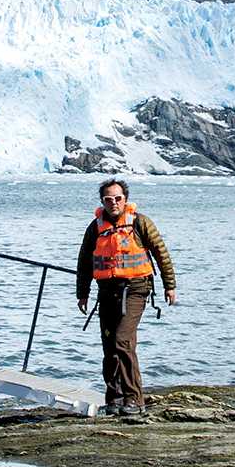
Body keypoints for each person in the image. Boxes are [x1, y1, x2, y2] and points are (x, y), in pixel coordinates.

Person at [75, 179, 177, 421]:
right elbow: (84, 261)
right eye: (108, 199)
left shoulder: (141, 222)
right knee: (109, 346)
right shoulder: (95, 227)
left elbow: (161, 253)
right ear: (102, 202)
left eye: (118, 198)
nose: (113, 203)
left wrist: (169, 286)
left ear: (125, 199)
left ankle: (134, 399)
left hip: (135, 289)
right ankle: (114, 398)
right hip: (106, 291)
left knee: (123, 340)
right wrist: (82, 292)